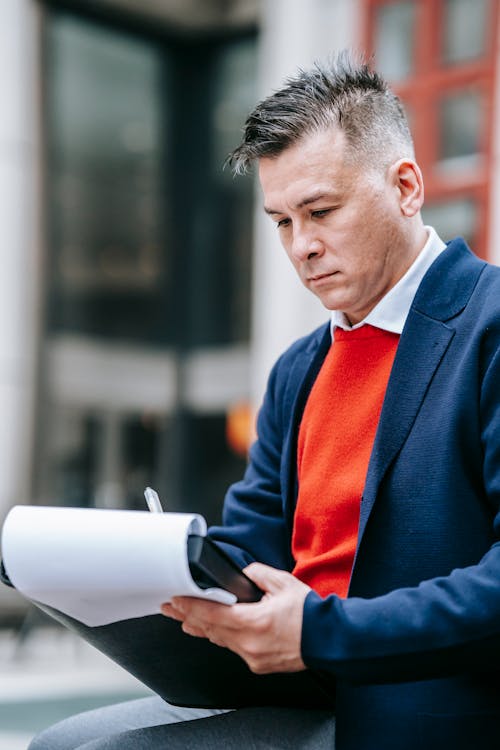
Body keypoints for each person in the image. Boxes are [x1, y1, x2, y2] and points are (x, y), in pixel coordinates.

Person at [29, 51, 500, 750]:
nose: (302, 246)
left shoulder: (488, 325)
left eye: (321, 211)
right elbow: (252, 542)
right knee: (65, 742)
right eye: (281, 221)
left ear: (406, 187)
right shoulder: (298, 370)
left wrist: (319, 631)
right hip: (293, 692)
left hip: (426, 707)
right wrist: (162, 570)